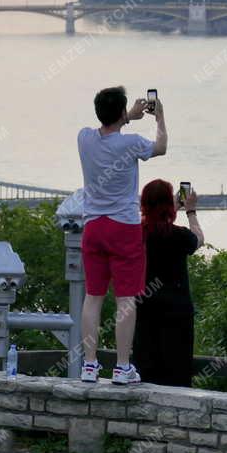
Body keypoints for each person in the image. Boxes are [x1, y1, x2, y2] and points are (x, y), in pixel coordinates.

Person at [77, 86, 167, 385]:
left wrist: (127, 116)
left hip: (93, 227)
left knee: (93, 297)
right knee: (125, 299)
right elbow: (161, 147)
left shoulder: (84, 138)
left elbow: (108, 127)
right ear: (120, 112)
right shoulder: (131, 144)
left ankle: (89, 366)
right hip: (124, 228)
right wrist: (159, 118)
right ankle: (122, 367)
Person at [133, 180, 205, 387]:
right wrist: (190, 211)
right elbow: (198, 239)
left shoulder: (136, 234)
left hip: (144, 308)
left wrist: (172, 206)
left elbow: (152, 221)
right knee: (177, 373)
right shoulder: (178, 235)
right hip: (177, 312)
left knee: (145, 371)